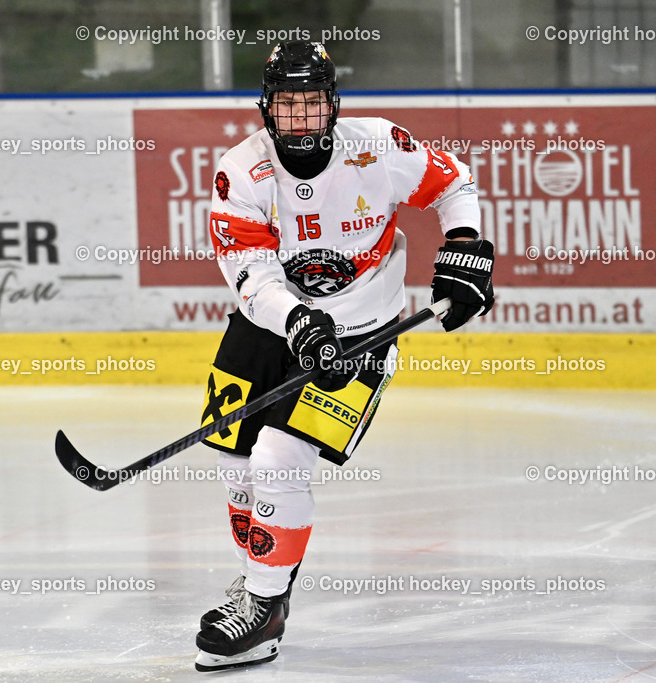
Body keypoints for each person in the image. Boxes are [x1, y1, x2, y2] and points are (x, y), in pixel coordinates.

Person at [194, 40, 495, 672]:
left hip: (363, 333)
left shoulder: (378, 146)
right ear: (264, 108)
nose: (299, 120)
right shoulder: (240, 172)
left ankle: (264, 605)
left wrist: (465, 247)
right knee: (230, 455)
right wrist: (301, 323)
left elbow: (454, 184)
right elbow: (250, 276)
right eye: (286, 106)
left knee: (278, 460)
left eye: (312, 105)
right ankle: (258, 571)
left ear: (333, 105)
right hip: (269, 327)